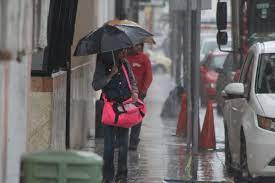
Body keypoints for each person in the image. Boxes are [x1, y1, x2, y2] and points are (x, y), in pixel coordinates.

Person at [92, 49, 138, 183]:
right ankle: (107, 176)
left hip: (125, 108)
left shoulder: (125, 63)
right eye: (121, 50)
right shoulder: (102, 64)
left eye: (125, 50)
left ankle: (122, 176)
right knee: (109, 146)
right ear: (114, 50)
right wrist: (110, 75)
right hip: (110, 109)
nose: (124, 52)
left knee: (124, 144)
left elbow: (132, 81)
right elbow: (96, 85)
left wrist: (134, 92)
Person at [126, 43, 153, 150]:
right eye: (133, 45)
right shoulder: (124, 57)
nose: (135, 47)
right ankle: (121, 140)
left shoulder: (144, 58)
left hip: (139, 94)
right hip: (124, 93)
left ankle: (133, 140)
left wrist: (144, 90)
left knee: (137, 117)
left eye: (138, 45)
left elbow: (149, 75)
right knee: (123, 116)